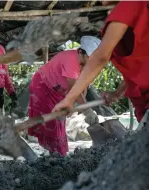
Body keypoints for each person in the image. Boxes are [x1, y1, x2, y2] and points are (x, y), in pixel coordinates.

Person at [53, 1, 149, 131]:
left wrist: (69, 100)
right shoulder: (70, 59)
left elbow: (100, 57)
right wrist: (117, 93)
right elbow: (141, 69)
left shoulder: (129, 5)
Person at [28, 36, 100, 156]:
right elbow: (75, 89)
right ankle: (57, 156)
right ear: (81, 52)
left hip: (57, 92)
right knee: (53, 122)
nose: (92, 60)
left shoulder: (87, 64)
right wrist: (87, 110)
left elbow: (83, 86)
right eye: (90, 57)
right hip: (42, 86)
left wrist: (77, 105)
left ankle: (58, 154)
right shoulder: (71, 60)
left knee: (60, 122)